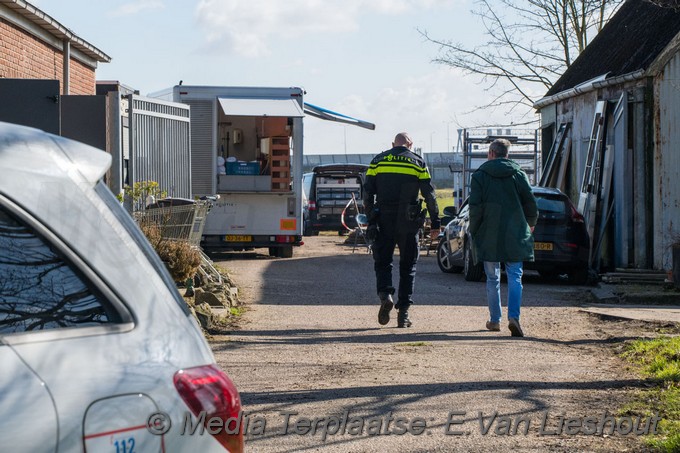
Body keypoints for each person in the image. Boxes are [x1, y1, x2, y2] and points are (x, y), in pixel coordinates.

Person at [363, 132, 440, 328]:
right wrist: (436, 223)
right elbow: (429, 195)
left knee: (383, 262)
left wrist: (372, 218)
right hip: (409, 221)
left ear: (392, 144)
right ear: (410, 144)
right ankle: (403, 314)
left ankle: (385, 294)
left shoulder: (377, 161)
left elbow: (367, 193)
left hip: (383, 219)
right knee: (408, 267)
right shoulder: (417, 163)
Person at [469, 138, 538, 337]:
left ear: (490, 153)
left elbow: (475, 207)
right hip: (514, 231)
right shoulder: (518, 174)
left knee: (493, 277)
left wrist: (474, 229)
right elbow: (529, 202)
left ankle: (495, 319)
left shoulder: (480, 175)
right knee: (515, 275)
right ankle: (514, 317)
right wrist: (531, 223)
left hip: (489, 232)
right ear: (507, 154)